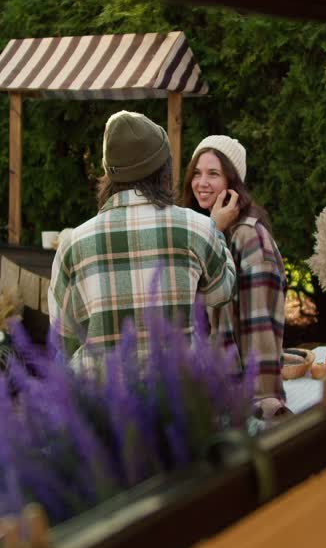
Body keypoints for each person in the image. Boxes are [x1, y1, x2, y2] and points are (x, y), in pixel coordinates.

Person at [48, 111, 237, 373]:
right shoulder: (198, 228)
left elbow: (63, 337)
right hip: (177, 391)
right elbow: (223, 291)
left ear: (108, 172)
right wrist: (217, 230)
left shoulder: (72, 244)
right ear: (164, 169)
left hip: (101, 394)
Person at [180, 135, 289, 419]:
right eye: (197, 173)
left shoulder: (248, 237)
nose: (202, 183)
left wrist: (264, 399)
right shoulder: (207, 232)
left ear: (233, 182)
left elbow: (259, 322)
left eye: (213, 174)